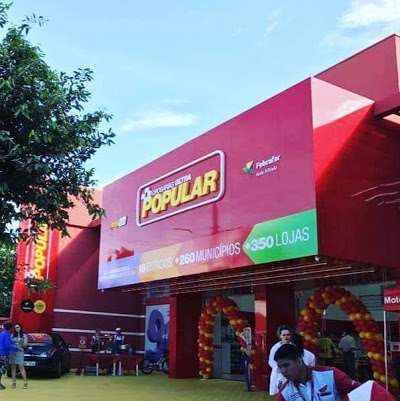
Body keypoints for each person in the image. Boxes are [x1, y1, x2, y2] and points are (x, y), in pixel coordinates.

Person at [274, 343, 360, 401]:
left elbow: (360, 391)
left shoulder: (330, 374)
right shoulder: (285, 392)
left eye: (286, 365)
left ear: (299, 361)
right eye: (280, 367)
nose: (283, 371)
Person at [268, 325, 292, 395]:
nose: (286, 337)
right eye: (284, 335)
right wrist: (280, 368)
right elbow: (271, 361)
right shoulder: (275, 348)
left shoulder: (293, 347)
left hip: (291, 373)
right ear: (280, 336)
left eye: (288, 335)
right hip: (278, 374)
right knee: (279, 394)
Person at [9, 323, 28, 389]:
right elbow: (9, 343)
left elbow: (25, 345)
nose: (16, 328)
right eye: (15, 327)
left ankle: (25, 383)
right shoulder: (12, 335)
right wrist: (15, 346)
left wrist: (22, 341)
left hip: (20, 352)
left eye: (18, 327)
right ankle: (14, 383)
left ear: (20, 328)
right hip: (13, 352)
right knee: (13, 367)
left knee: (21, 367)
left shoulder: (24, 335)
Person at [0, 322, 18, 390]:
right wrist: (16, 348)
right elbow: (8, 346)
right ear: (10, 328)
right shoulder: (7, 335)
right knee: (1, 370)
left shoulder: (1, 334)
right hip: (3, 355)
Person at [238, 326, 253, 392]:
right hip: (245, 357)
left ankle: (249, 386)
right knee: (247, 372)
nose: (246, 333)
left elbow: (249, 352)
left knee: (249, 372)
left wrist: (244, 349)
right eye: (245, 331)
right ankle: (248, 386)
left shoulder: (249, 340)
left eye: (247, 331)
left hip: (249, 357)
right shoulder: (245, 339)